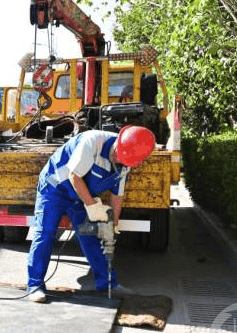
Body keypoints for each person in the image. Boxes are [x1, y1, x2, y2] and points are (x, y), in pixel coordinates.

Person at [26, 125, 156, 302]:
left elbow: (117, 197)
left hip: (80, 194)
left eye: (122, 160)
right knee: (45, 233)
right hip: (54, 188)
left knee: (90, 237)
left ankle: (107, 283)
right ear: (119, 143)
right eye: (117, 155)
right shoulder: (92, 142)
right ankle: (34, 286)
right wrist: (93, 207)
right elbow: (74, 176)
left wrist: (113, 225)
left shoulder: (127, 160)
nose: (117, 159)